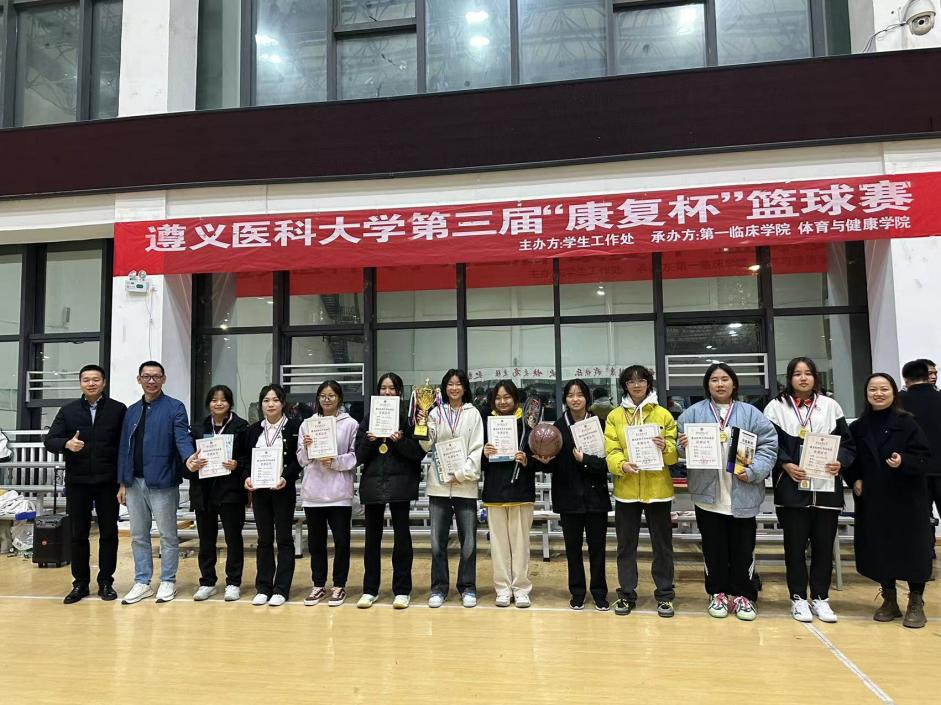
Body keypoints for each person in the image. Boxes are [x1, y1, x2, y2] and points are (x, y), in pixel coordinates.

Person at [676, 363, 777, 621]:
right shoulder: (692, 414)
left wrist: (753, 471)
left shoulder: (750, 413)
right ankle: (717, 593)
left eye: (725, 379)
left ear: (734, 383)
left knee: (743, 550)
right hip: (708, 497)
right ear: (707, 385)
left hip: (743, 495)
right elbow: (677, 447)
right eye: (714, 380)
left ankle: (744, 596)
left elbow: (769, 445)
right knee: (713, 550)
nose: (720, 384)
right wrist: (682, 446)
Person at [763, 357, 856, 623]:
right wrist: (785, 463)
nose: (803, 378)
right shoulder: (775, 407)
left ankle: (821, 598)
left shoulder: (830, 406)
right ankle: (798, 598)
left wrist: (841, 462)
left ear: (815, 377)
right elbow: (768, 443)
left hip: (826, 489)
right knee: (794, 547)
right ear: (789, 378)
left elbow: (848, 445)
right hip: (791, 488)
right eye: (797, 374)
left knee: (824, 547)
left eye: (808, 373)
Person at [845, 373, 932, 628]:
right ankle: (889, 598)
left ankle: (916, 600)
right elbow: (850, 459)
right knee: (879, 548)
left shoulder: (907, 422)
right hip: (874, 498)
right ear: (866, 394)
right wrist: (854, 478)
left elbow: (924, 457)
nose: (879, 394)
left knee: (912, 549)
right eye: (873, 389)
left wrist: (903, 461)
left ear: (894, 392)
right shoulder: (858, 427)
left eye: (884, 389)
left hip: (906, 498)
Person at [44, 364, 126, 604]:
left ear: (104, 383)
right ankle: (80, 583)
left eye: (96, 379)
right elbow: (50, 440)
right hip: (78, 481)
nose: (91, 383)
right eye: (86, 380)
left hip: (108, 481)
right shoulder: (68, 411)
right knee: (78, 533)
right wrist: (67, 444)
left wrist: (123, 481)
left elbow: (125, 447)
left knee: (109, 533)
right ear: (80, 383)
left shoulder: (118, 409)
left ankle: (106, 582)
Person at [117, 361, 195, 605]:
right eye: (146, 376)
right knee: (138, 535)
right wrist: (122, 483)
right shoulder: (131, 411)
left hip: (163, 481)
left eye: (156, 376)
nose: (151, 381)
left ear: (164, 379)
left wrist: (189, 458)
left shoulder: (174, 407)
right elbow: (124, 448)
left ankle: (168, 580)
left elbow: (182, 438)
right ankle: (142, 582)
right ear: (138, 379)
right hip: (133, 482)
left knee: (167, 535)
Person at [603, 365, 678, 617]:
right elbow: (611, 450)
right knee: (626, 546)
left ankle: (665, 595)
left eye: (641, 380)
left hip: (658, 490)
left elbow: (672, 456)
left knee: (662, 546)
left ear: (648, 383)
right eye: (631, 381)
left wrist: (666, 447)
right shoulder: (615, 416)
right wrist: (621, 465)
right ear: (625, 386)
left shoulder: (663, 415)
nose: (636, 385)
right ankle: (626, 594)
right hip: (626, 491)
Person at [535, 379, 611, 611]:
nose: (575, 399)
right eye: (570, 395)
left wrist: (585, 460)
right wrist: (545, 462)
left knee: (598, 549)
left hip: (596, 497)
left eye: (580, 394)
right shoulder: (556, 428)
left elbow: (607, 464)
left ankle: (599, 592)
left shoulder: (599, 425)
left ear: (587, 398)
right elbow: (553, 466)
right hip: (568, 497)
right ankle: (577, 592)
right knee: (573, 549)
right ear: (565, 399)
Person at [355, 373, 425, 609]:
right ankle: (369, 590)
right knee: (371, 540)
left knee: (402, 539)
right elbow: (358, 456)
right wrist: (370, 441)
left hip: (401, 484)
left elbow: (418, 453)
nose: (387, 392)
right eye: (383, 388)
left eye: (392, 388)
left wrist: (399, 440)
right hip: (373, 485)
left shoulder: (409, 418)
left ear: (399, 392)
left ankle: (402, 590)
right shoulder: (368, 419)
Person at [419, 369, 484, 608]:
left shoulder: (473, 414)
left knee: (469, 543)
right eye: (450, 384)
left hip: (465, 486)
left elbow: (477, 448)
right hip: (439, 486)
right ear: (444, 388)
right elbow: (426, 445)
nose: (454, 388)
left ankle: (467, 588)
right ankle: (439, 588)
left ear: (464, 387)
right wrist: (422, 424)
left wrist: (461, 474)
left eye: (458, 384)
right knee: (438, 543)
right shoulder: (435, 412)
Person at [184, 385, 249, 602]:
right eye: (214, 400)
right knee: (206, 540)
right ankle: (207, 581)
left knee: (233, 539)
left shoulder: (241, 427)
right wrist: (192, 464)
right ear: (208, 403)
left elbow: (248, 458)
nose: (218, 403)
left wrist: (237, 464)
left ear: (230, 403)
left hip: (231, 492)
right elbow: (187, 459)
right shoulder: (197, 428)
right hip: (204, 492)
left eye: (223, 400)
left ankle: (233, 582)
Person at [298, 380, 359, 608]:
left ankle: (339, 584)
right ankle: (318, 584)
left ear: (339, 398)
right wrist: (307, 448)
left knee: (342, 542)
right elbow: (301, 459)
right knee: (316, 544)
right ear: (318, 398)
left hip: (339, 493)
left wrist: (335, 461)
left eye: (331, 395)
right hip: (313, 493)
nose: (327, 399)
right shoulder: (308, 424)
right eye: (323, 395)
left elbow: (354, 456)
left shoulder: (350, 424)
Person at [241, 384, 303, 607]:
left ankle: (281, 588)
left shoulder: (294, 427)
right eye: (266, 400)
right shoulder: (253, 430)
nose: (271, 404)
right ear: (261, 404)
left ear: (283, 403)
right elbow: (245, 459)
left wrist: (286, 477)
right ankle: (263, 587)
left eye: (275, 400)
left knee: (284, 538)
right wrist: (247, 477)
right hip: (260, 491)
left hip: (283, 490)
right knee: (264, 539)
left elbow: (298, 460)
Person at [481, 380, 535, 608]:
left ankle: (521, 589)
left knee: (520, 545)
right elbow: (479, 462)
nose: (502, 402)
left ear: (515, 399)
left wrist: (527, 460)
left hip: (521, 491)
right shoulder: (486, 424)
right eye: (498, 398)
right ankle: (502, 589)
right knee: (499, 546)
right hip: (494, 492)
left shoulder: (528, 425)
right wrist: (484, 454)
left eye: (507, 397)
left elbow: (540, 458)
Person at [900, 358, 941, 561]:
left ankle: (926, 553)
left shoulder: (899, 402)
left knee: (920, 516)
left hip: (914, 468)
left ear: (906, 380)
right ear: (928, 376)